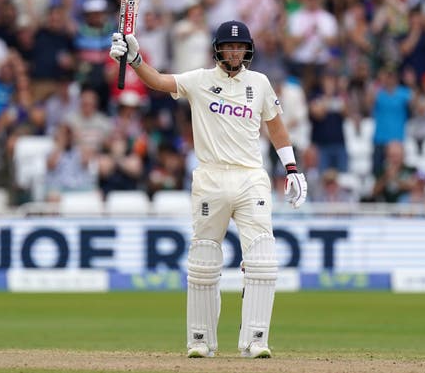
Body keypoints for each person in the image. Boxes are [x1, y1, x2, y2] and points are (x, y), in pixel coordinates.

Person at [109, 20, 308, 359]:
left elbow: (276, 127)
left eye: (240, 46)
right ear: (218, 49)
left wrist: (291, 168)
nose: (234, 51)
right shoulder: (199, 80)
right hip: (211, 178)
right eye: (229, 46)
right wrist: (135, 58)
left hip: (250, 177)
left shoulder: (259, 83)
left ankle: (255, 340)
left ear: (247, 50)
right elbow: (158, 81)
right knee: (203, 259)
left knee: (262, 259)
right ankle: (200, 340)